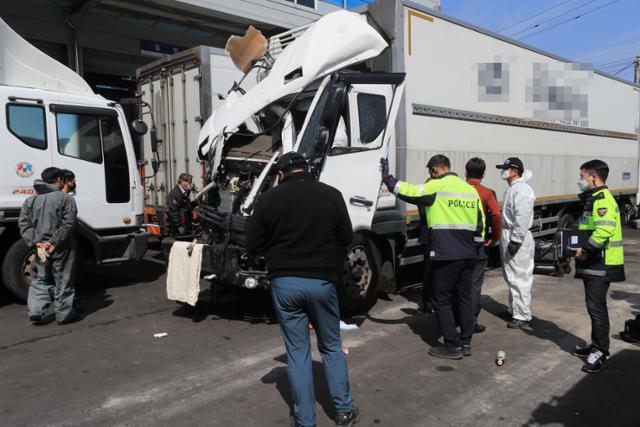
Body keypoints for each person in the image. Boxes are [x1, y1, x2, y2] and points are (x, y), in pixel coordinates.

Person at [247, 152, 359, 427]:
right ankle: (344, 411)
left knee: (297, 353)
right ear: (307, 168)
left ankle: (305, 420)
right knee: (331, 346)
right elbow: (347, 237)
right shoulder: (331, 194)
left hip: (285, 283)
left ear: (282, 173)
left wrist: (275, 255)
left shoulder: (268, 199)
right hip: (322, 281)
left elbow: (252, 244)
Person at [381, 155, 484, 360]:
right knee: (464, 297)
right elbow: (480, 225)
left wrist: (388, 178)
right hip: (469, 254)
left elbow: (410, 192)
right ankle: (465, 342)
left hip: (446, 254)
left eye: (430, 173)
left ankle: (452, 345)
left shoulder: (437, 186)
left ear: (435, 171)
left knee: (440, 298)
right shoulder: (470, 191)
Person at [570, 159, 625, 373]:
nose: (581, 181)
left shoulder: (602, 200)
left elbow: (603, 232)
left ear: (593, 176)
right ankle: (595, 345)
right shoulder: (593, 199)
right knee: (593, 306)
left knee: (596, 307)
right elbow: (587, 228)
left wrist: (584, 250)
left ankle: (601, 351)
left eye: (582, 176)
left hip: (601, 263)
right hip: (594, 262)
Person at [18, 167, 78, 325]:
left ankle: (35, 311)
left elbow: (24, 223)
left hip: (40, 249)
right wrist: (53, 243)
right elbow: (68, 224)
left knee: (42, 278)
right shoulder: (65, 199)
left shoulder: (30, 200)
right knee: (63, 280)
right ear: (59, 180)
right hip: (61, 247)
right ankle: (64, 314)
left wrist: (37, 242)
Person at [496, 157, 536, 329]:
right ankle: (514, 309)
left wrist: (516, 240)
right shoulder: (514, 189)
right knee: (511, 276)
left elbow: (522, 216)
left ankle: (522, 315)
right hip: (510, 234)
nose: (502, 172)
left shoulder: (521, 190)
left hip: (516, 236)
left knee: (520, 277)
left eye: (505, 168)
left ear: (514, 171)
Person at [465, 157, 501, 333]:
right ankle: (470, 322)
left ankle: (456, 318)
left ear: (465, 173)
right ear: (484, 174)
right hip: (478, 245)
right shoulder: (487, 193)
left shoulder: (458, 191)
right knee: (474, 285)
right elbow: (495, 215)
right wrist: (495, 237)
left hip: (457, 244)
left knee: (458, 284)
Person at [167, 173, 194, 237]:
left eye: (189, 182)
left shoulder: (184, 192)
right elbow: (173, 211)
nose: (188, 184)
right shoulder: (175, 194)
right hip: (179, 229)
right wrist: (179, 226)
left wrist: (195, 202)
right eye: (187, 182)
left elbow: (186, 207)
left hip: (186, 226)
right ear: (181, 181)